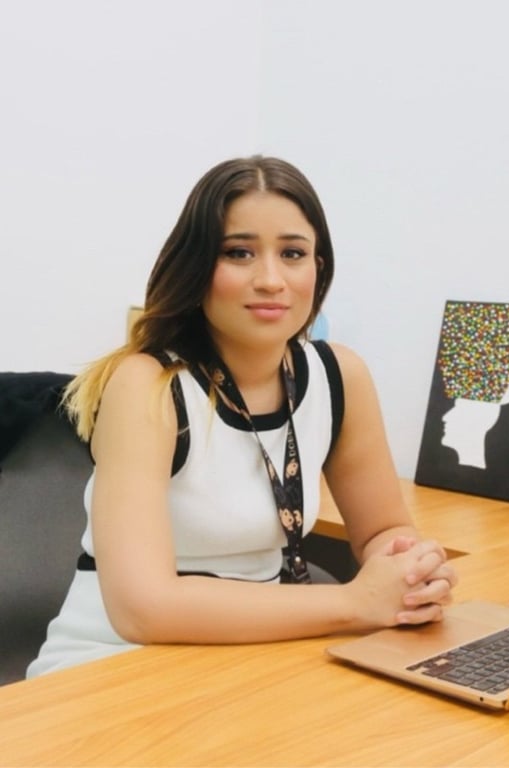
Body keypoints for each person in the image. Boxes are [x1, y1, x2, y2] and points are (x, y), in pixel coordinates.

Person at [27, 155, 457, 677]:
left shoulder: (341, 375)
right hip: (113, 666)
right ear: (197, 267)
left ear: (318, 269)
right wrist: (357, 602)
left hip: (249, 659)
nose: (271, 279)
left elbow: (382, 529)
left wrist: (409, 568)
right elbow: (143, 610)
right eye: (239, 253)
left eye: (293, 253)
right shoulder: (149, 385)